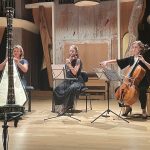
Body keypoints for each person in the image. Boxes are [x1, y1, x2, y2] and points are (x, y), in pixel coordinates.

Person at [100, 41, 150, 119]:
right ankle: (128, 107)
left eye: (135, 47)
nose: (133, 49)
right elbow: (119, 61)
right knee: (119, 90)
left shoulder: (145, 57)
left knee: (142, 90)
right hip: (131, 81)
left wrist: (144, 61)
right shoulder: (131, 58)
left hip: (142, 81)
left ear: (140, 48)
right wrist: (107, 62)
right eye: (132, 47)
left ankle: (143, 110)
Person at [53, 45, 84, 116]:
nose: (71, 52)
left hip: (76, 81)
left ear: (76, 52)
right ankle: (60, 106)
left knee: (71, 88)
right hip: (68, 80)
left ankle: (66, 107)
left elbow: (75, 72)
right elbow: (65, 71)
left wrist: (69, 65)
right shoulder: (69, 60)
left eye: (73, 51)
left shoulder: (78, 61)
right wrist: (67, 64)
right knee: (57, 89)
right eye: (70, 51)